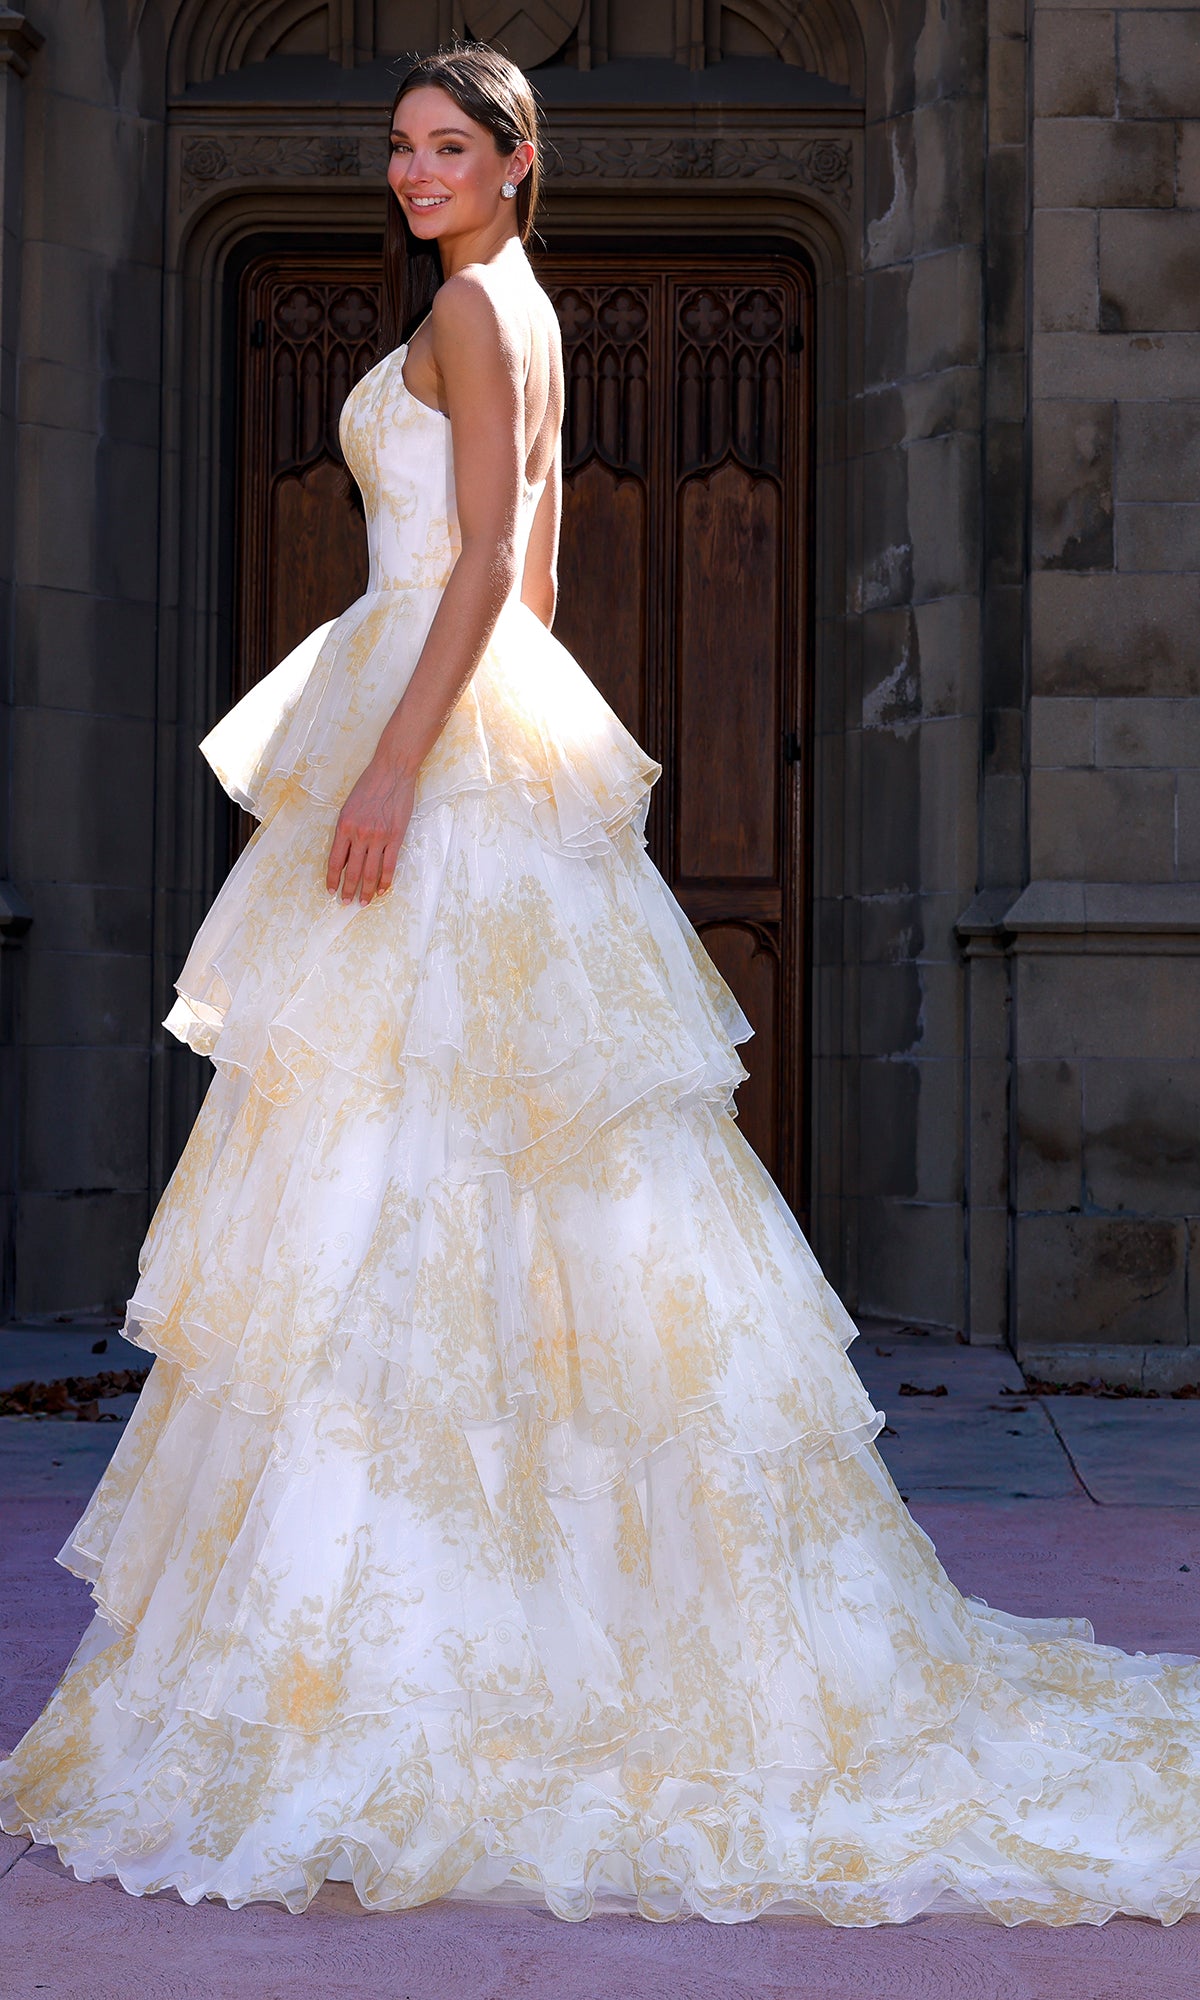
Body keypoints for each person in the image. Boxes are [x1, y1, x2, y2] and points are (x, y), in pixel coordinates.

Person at [3, 41, 1199, 1927]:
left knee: (405, 1143)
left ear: (514, 159)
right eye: (396, 146)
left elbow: (485, 558)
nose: (413, 172)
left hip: (435, 729)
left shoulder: (481, 309)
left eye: (446, 146)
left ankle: (424, 1641)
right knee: (463, 1144)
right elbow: (538, 586)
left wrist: (400, 760)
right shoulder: (522, 307)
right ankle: (476, 1597)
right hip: (480, 728)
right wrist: (485, 757)